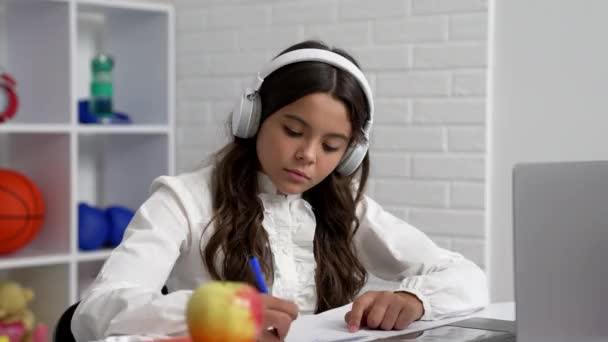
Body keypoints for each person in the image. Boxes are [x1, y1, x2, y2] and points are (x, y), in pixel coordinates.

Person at [72, 40, 488, 342]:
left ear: (349, 155)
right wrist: (209, 314)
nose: (307, 156)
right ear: (253, 118)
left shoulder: (346, 209)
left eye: (330, 146)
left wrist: (412, 299)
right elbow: (93, 313)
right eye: (292, 130)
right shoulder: (183, 200)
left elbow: (468, 278)